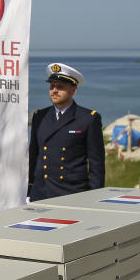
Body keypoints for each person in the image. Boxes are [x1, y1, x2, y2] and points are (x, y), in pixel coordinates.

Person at [28, 62, 105, 201]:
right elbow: (33, 155)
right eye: (52, 86)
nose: (54, 90)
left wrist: (96, 197)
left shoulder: (88, 119)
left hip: (71, 194)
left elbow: (96, 164)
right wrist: (29, 188)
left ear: (73, 90)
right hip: (40, 193)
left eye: (60, 87)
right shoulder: (39, 116)